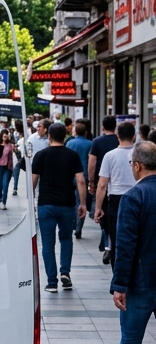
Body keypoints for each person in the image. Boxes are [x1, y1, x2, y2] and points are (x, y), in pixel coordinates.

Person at [101, 140, 156, 344]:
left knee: (131, 339)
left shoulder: (134, 197)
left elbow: (125, 246)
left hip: (141, 282)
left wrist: (119, 284)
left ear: (137, 165)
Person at [32, 122, 87, 293]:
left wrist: (29, 204)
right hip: (67, 204)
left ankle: (51, 282)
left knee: (47, 244)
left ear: (49, 135)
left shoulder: (40, 155)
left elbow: (32, 182)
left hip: (46, 204)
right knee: (66, 239)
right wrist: (83, 203)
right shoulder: (72, 155)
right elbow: (81, 181)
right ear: (65, 136)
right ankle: (65, 273)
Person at [94, 120, 137, 274]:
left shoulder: (109, 156)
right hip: (138, 197)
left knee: (117, 239)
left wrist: (98, 208)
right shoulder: (139, 154)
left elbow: (102, 185)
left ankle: (118, 275)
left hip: (116, 200)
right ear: (134, 136)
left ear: (117, 136)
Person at [88, 116, 119, 262]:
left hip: (103, 182)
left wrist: (92, 182)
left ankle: (108, 244)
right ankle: (110, 245)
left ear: (102, 127)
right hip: (118, 183)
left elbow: (92, 163)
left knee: (102, 215)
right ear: (115, 126)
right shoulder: (119, 140)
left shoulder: (97, 142)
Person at [66, 119, 92, 239]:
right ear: (85, 133)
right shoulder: (90, 144)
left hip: (70, 175)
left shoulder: (70, 143)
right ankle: (78, 228)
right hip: (83, 176)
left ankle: (72, 224)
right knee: (81, 201)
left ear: (75, 132)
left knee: (72, 201)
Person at [12, 118, 26, 196]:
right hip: (21, 156)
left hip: (20, 156)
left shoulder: (20, 136)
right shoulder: (19, 134)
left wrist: (15, 148)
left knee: (16, 171)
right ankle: (15, 187)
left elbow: (19, 148)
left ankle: (15, 188)